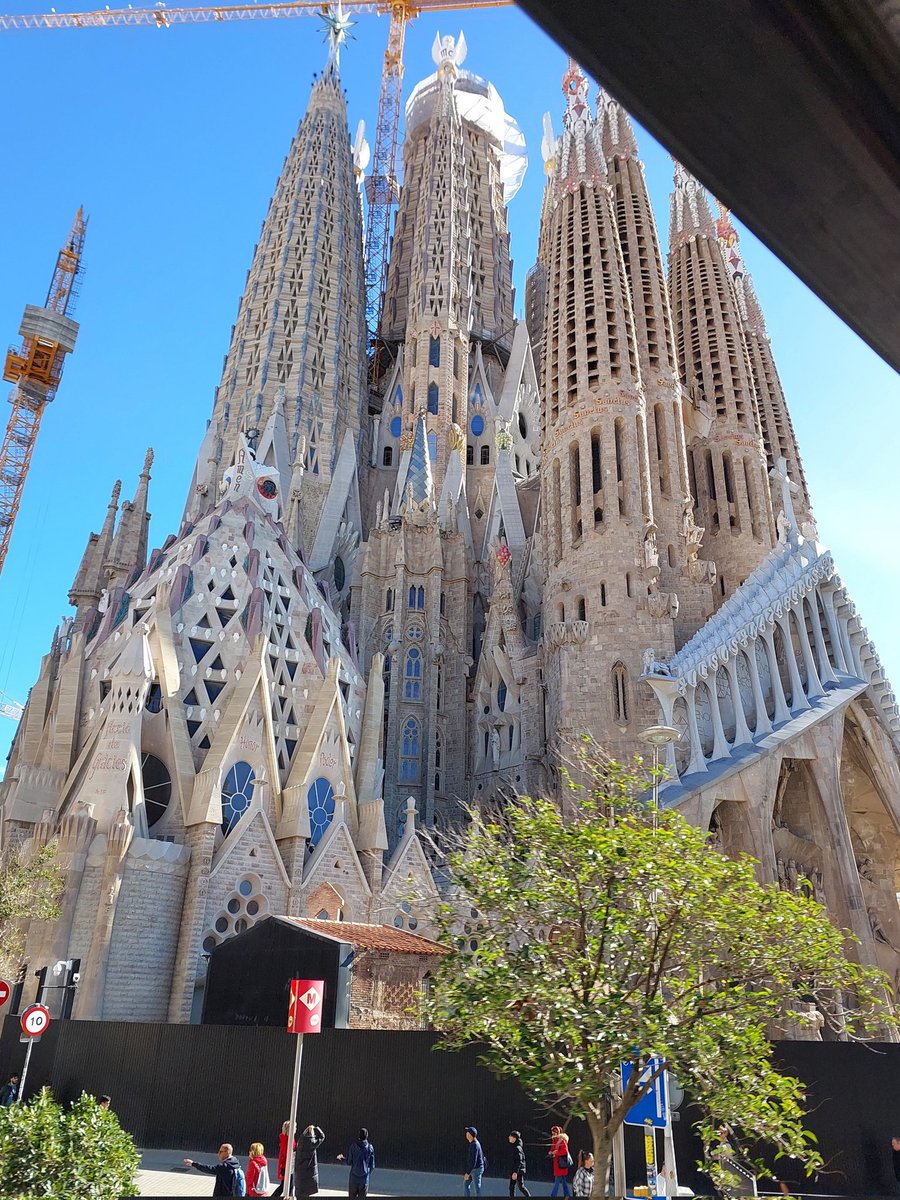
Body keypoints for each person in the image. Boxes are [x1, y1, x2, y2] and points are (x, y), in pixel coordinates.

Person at [337, 1127, 376, 1198]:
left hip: (353, 1179)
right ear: (367, 1136)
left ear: (359, 1136)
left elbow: (348, 1162)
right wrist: (366, 1174)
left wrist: (341, 1158)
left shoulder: (353, 1147)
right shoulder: (370, 1148)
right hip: (364, 1180)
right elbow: (372, 1166)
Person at [296, 1124, 325, 1197]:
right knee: (307, 1191)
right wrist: (317, 1128)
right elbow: (322, 1136)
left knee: (299, 1191)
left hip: (299, 1168)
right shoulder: (312, 1143)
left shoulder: (300, 1141)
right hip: (309, 1170)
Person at [270, 1121, 297, 1198]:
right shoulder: (287, 1140)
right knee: (288, 1186)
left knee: (285, 1186)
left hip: (288, 1165)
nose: (296, 1128)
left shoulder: (288, 1138)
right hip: (287, 1166)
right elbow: (287, 1153)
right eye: (295, 1127)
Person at [549, 1126, 572, 1198]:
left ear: (558, 1133)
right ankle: (567, 1195)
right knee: (564, 1182)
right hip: (558, 1164)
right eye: (552, 1133)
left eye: (554, 1133)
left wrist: (556, 1153)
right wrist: (550, 1152)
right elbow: (552, 1149)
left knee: (557, 1182)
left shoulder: (561, 1141)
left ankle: (553, 1195)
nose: (553, 1134)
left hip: (561, 1165)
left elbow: (565, 1151)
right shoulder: (554, 1140)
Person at [463, 1125, 486, 1197]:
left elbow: (473, 1161)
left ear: (470, 1135)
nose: (466, 1134)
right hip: (475, 1168)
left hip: (476, 1169)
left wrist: (468, 1173)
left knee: (477, 1189)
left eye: (467, 1132)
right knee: (466, 1184)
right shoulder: (475, 1143)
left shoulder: (474, 1145)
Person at [507, 1130, 530, 1197]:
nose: (509, 1137)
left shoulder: (517, 1148)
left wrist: (515, 1172)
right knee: (512, 1187)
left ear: (514, 1138)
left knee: (521, 1187)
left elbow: (519, 1161)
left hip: (517, 1171)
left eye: (511, 1136)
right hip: (515, 1171)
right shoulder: (514, 1147)